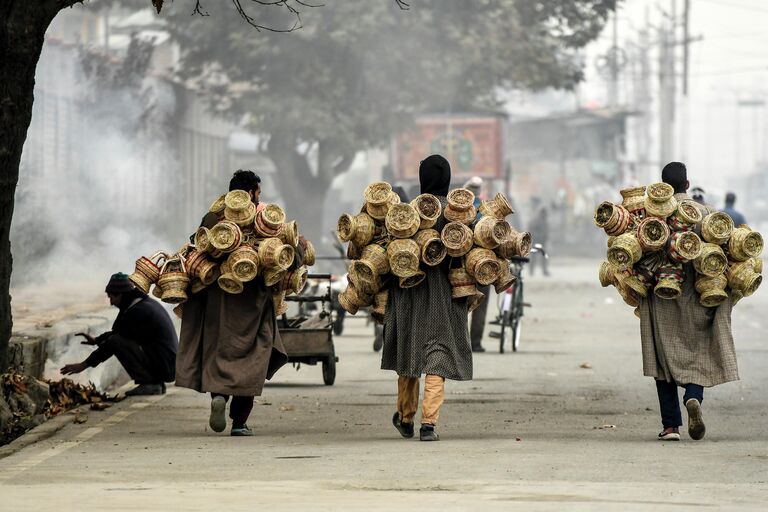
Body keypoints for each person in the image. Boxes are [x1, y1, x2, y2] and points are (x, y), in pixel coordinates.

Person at [175, 170, 291, 436]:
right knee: (255, 354)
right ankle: (239, 422)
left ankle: (219, 396)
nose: (259, 197)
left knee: (220, 350)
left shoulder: (212, 217)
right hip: (253, 299)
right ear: (250, 193)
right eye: (258, 192)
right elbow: (288, 253)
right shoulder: (264, 220)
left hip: (218, 297)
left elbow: (197, 245)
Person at [639, 162, 738, 442]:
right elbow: (729, 256)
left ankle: (671, 426)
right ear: (687, 184)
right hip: (699, 296)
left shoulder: (651, 218)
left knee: (662, 358)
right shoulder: (706, 214)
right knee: (698, 352)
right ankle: (693, 397)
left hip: (662, 299)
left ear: (663, 186)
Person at [382, 155, 473, 442]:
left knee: (410, 352)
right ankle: (429, 424)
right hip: (445, 295)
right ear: (447, 180)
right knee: (438, 355)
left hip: (409, 293)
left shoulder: (407, 213)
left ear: (422, 179)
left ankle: (406, 417)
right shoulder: (459, 214)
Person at [61, 273, 178, 396]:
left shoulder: (138, 311)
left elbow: (113, 341)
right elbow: (122, 331)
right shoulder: (140, 304)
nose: (111, 303)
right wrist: (96, 340)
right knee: (117, 339)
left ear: (121, 295)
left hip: (165, 365)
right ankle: (155, 384)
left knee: (116, 342)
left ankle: (150, 384)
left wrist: (84, 365)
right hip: (166, 364)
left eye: (112, 297)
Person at [464, 176, 488, 353]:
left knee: (460, 303)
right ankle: (476, 342)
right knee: (481, 304)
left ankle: (460, 341)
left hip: (462, 263)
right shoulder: (486, 209)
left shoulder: (457, 209)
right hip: (484, 263)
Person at [528, 197, 550, 276]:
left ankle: (544, 271)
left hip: (541, 241)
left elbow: (546, 231)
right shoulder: (536, 220)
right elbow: (532, 230)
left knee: (543, 256)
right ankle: (531, 271)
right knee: (534, 257)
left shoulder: (544, 221)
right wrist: (538, 237)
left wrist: (545, 237)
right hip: (536, 241)